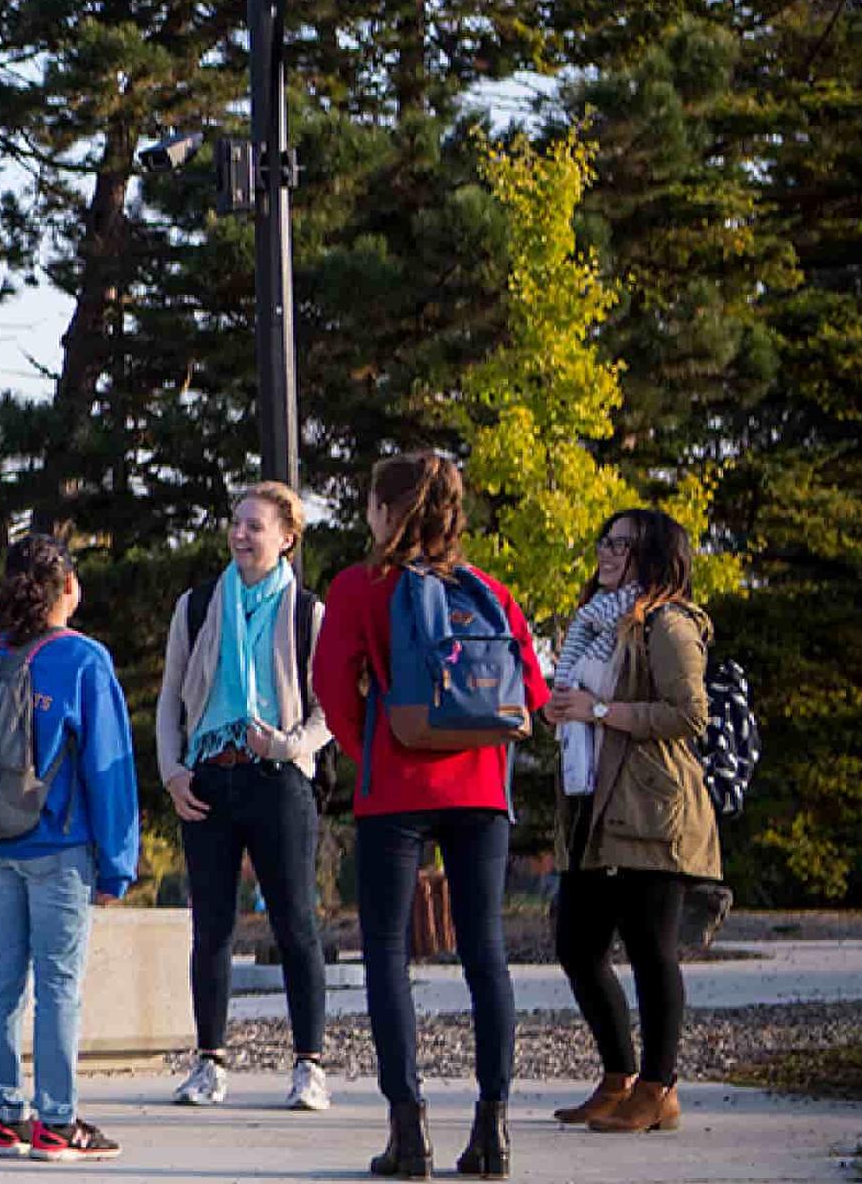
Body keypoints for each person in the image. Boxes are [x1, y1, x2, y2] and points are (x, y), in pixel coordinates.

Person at [316, 451, 548, 1180]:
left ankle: (408, 1131)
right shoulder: (488, 589)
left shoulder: (360, 586)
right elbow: (533, 693)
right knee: (486, 953)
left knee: (387, 951)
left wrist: (373, 749)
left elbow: (331, 686)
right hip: (481, 791)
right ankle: (493, 1130)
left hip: (397, 789)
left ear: (388, 511)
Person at [156, 482, 338, 1112]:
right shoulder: (198, 605)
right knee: (211, 926)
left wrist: (288, 746)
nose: (240, 534)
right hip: (208, 776)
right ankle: (209, 1062)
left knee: (296, 924)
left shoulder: (307, 612)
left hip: (278, 779)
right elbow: (171, 697)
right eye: (236, 523)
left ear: (286, 538)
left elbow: (329, 709)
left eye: (255, 526)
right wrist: (173, 772)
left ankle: (309, 1065)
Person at [0, 534, 138, 1164]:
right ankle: (57, 1123)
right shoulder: (83, 659)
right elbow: (109, 768)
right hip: (57, 844)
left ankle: (3, 1118)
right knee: (59, 982)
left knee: (2, 977)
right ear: (68, 587)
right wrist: (118, 863)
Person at [540, 508, 717, 1135]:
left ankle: (659, 1087)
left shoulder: (668, 624)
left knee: (650, 949)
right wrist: (564, 710)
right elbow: (585, 704)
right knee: (577, 946)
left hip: (651, 807)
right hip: (595, 805)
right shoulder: (594, 624)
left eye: (623, 544)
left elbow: (689, 715)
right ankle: (619, 1077)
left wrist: (600, 710)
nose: (607, 553)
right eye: (605, 541)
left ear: (654, 556)